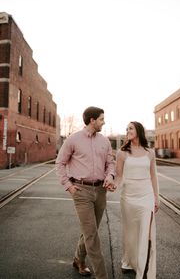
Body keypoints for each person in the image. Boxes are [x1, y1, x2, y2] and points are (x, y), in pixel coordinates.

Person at [56, 106, 115, 279]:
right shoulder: (73, 140)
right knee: (92, 235)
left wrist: (110, 176)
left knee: (91, 230)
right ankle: (102, 275)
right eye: (102, 119)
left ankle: (78, 259)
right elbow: (60, 163)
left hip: (101, 191)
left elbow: (110, 163)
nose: (104, 122)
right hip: (81, 191)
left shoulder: (104, 141)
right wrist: (68, 185)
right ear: (92, 120)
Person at [113, 121, 160, 279]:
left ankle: (143, 270)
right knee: (130, 232)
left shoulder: (150, 152)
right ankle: (127, 262)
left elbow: (153, 176)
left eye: (131, 128)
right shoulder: (122, 152)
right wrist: (113, 185)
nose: (128, 131)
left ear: (139, 130)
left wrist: (156, 198)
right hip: (128, 197)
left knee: (145, 233)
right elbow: (119, 176)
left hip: (146, 195)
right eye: (126, 129)